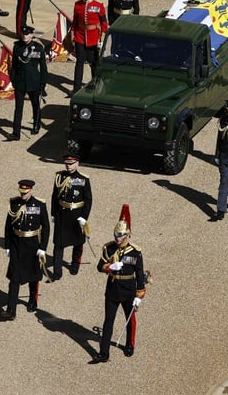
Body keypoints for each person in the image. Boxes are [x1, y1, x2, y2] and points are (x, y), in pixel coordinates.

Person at [93, 211, 147, 362]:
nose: (117, 238)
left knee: (129, 319)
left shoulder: (135, 252)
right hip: (112, 288)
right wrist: (110, 267)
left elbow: (139, 274)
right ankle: (104, 352)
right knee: (108, 321)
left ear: (128, 235)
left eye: (121, 235)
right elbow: (99, 266)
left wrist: (139, 295)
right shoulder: (109, 248)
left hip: (128, 289)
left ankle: (129, 344)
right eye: (116, 234)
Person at [1, 179, 50, 319]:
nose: (23, 195)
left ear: (30, 190)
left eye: (25, 192)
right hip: (17, 244)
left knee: (34, 276)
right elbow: (8, 227)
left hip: (33, 244)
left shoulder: (39, 204)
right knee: (14, 278)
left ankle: (33, 299)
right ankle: (11, 310)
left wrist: (43, 248)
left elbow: (45, 227)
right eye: (21, 192)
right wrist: (8, 246)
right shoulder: (14, 203)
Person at [50, 153, 92, 280]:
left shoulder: (83, 179)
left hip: (76, 216)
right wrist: (53, 213)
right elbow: (54, 196)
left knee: (78, 243)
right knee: (58, 244)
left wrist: (84, 217)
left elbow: (88, 199)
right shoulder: (59, 176)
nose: (68, 166)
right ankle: (57, 272)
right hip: (62, 214)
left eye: (71, 163)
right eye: (67, 164)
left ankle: (75, 265)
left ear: (77, 164)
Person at [72, 0, 107, 92]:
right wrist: (73, 36)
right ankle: (76, 88)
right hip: (80, 37)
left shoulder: (98, 6)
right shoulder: (78, 5)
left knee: (94, 63)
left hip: (93, 37)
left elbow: (104, 23)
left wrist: (101, 38)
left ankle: (95, 84)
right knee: (79, 63)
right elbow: (75, 22)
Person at [10, 26, 48, 139]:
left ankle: (36, 125)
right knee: (18, 108)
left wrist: (43, 83)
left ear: (32, 35)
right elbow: (14, 65)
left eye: (27, 34)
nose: (25, 36)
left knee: (35, 105)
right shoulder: (17, 47)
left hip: (34, 81)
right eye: (23, 34)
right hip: (20, 82)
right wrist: (13, 80)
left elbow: (43, 68)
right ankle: (16, 132)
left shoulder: (39, 48)